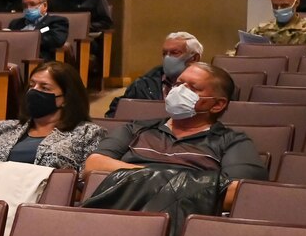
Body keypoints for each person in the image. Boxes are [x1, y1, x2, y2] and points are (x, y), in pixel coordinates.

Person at [82, 62, 266, 215]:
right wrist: (176, 180)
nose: (179, 91)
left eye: (193, 87)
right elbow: (94, 165)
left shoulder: (232, 141)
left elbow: (241, 193)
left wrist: (139, 178)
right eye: (178, 84)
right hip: (118, 214)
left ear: (217, 104)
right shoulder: (135, 129)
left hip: (184, 224)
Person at [0, 60, 105, 169]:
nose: (34, 91)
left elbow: (86, 184)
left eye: (44, 88)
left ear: (65, 98)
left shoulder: (88, 134)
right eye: (32, 85)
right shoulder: (1, 128)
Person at [107, 31, 201, 117]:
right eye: (164, 53)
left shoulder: (208, 87)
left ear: (194, 58)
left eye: (174, 53)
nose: (167, 58)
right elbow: (117, 112)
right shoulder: (142, 85)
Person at [6, 0, 71, 56]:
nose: (28, 8)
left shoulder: (57, 22)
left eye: (32, 4)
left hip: (41, 59)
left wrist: (23, 37)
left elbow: (56, 41)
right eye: (25, 5)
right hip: (16, 56)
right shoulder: (15, 23)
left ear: (45, 6)